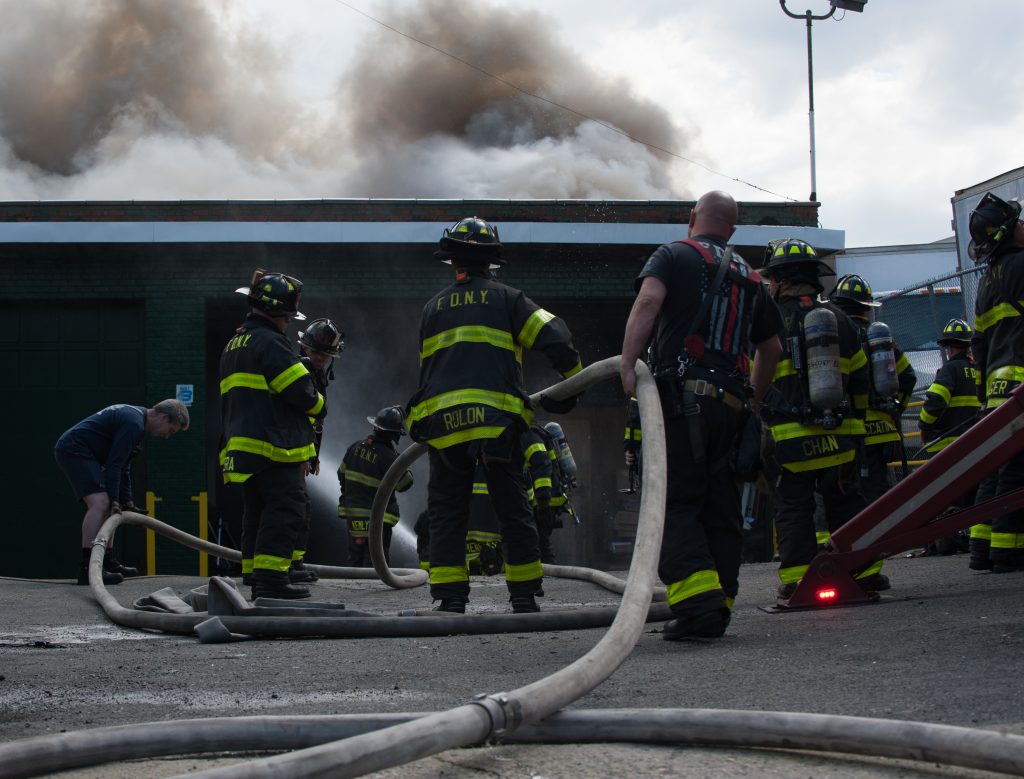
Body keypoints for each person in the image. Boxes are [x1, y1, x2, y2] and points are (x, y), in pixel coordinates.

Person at [620, 190, 783, 640]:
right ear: (733, 228)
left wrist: (628, 366)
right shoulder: (752, 277)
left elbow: (649, 303)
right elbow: (771, 349)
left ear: (691, 218)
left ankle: (698, 606)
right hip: (731, 407)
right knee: (720, 503)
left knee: (674, 499)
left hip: (681, 400)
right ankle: (721, 599)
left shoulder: (673, 254)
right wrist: (753, 400)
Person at [407, 216, 582, 614]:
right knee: (511, 507)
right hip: (496, 421)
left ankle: (450, 599)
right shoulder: (508, 298)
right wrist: (573, 383)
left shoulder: (431, 308)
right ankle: (522, 596)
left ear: (452, 262)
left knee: (447, 512)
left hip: (444, 425)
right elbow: (555, 335)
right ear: (492, 261)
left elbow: (428, 370)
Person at [757, 238, 879, 602]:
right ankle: (865, 572)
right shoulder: (840, 320)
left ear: (783, 280)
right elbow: (861, 376)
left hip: (790, 439)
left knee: (794, 508)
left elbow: (753, 375)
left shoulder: (768, 321)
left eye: (772, 280)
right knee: (847, 503)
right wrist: (855, 422)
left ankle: (797, 580)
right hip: (840, 435)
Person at [220, 270, 325, 600]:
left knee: (257, 511)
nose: (289, 323)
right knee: (285, 510)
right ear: (281, 311)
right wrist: (320, 403)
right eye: (289, 316)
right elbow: (302, 394)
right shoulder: (273, 344)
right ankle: (271, 580)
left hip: (244, 446)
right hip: (274, 446)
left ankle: (253, 572)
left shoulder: (234, 343)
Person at [55, 399, 189, 585]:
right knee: (100, 503)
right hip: (74, 448)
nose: (167, 436)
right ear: (163, 417)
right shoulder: (133, 423)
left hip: (86, 451)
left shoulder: (137, 421)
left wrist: (127, 502)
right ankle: (87, 568)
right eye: (170, 430)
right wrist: (116, 499)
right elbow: (115, 464)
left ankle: (108, 560)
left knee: (110, 504)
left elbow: (123, 467)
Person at [968, 191, 1024, 573]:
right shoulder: (1022, 264)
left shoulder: (988, 280)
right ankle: (1008, 552)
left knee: (997, 469)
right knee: (1018, 472)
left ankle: (981, 548)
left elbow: (979, 343)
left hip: (995, 388)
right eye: (1018, 221)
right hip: (1021, 383)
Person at [829, 274, 917, 505]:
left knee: (847, 495)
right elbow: (907, 376)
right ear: (867, 307)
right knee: (879, 493)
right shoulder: (881, 339)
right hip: (883, 431)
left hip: (850, 430)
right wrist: (895, 408)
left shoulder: (837, 337)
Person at [916, 318, 981, 556]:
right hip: (975, 445)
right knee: (971, 495)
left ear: (949, 347)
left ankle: (943, 539)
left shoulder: (949, 370)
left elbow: (935, 402)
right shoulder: (977, 370)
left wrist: (924, 424)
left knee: (942, 496)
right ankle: (969, 538)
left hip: (945, 447)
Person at [291, 317, 345, 583]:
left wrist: (314, 455)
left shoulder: (318, 375)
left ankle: (293, 562)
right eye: (317, 352)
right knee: (296, 507)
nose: (321, 357)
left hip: (303, 451)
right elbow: (298, 417)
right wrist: (304, 452)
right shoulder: (298, 372)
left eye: (326, 354)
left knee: (300, 507)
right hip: (291, 450)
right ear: (305, 348)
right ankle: (290, 564)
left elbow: (317, 423)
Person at [338, 406, 413, 567]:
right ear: (394, 434)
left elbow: (340, 474)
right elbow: (405, 484)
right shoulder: (388, 456)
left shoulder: (354, 447)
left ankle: (349, 591)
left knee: (354, 560)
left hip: (354, 517)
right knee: (377, 563)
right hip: (378, 520)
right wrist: (402, 461)